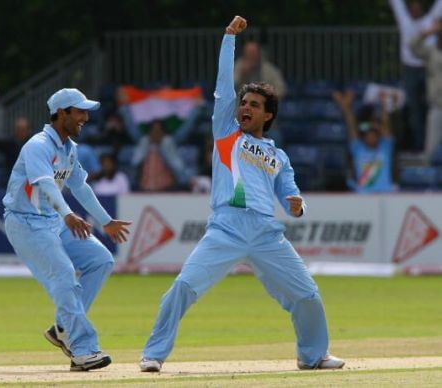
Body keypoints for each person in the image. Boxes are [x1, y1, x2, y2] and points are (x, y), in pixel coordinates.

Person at [139, 16, 344, 373]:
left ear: (268, 115)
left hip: (266, 234)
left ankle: (313, 356)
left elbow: (291, 198)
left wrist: (297, 206)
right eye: (243, 102)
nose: (244, 107)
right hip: (226, 229)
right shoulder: (226, 132)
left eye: (253, 105)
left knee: (307, 295)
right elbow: (221, 88)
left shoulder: (279, 156)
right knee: (184, 286)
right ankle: (153, 355)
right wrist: (228, 39)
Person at [2, 88, 132, 372]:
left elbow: (81, 188)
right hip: (26, 224)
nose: (85, 117)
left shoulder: (69, 149)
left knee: (101, 260)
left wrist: (106, 221)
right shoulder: (38, 145)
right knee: (63, 275)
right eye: (80, 111)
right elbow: (46, 184)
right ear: (61, 114)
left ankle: (63, 327)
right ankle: (83, 350)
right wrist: (69, 214)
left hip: (52, 222)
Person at [389, 0, 442, 151]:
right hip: (410, 69)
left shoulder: (430, 20)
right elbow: (396, 3)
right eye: (412, 9)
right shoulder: (404, 19)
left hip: (428, 68)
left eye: (418, 9)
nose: (415, 11)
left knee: (430, 107)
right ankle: (419, 145)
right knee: (414, 109)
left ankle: (430, 145)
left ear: (423, 11)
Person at [333, 89, 396, 193]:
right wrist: (346, 108)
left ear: (378, 137)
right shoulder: (358, 149)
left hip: (385, 193)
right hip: (363, 195)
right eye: (368, 135)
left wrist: (384, 105)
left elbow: (386, 125)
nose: (371, 137)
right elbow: (351, 127)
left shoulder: (385, 148)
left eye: (374, 135)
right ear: (364, 138)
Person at [410, 18, 442, 161]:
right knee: (430, 153)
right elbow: (412, 46)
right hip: (437, 107)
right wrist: (427, 32)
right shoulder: (431, 52)